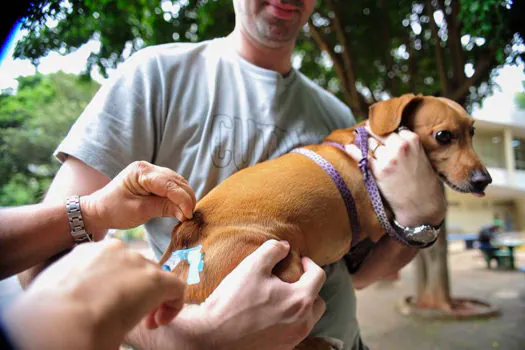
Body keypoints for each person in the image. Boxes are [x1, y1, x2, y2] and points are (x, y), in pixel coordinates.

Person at [19, 0, 446, 348]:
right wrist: (187, 338)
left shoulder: (335, 118)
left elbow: (360, 274)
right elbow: (43, 261)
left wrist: (424, 219)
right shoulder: (155, 76)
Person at [1, 161, 324, 349]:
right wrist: (193, 339)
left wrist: (93, 210)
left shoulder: (332, 112)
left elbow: (361, 274)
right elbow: (39, 270)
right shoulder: (148, 74)